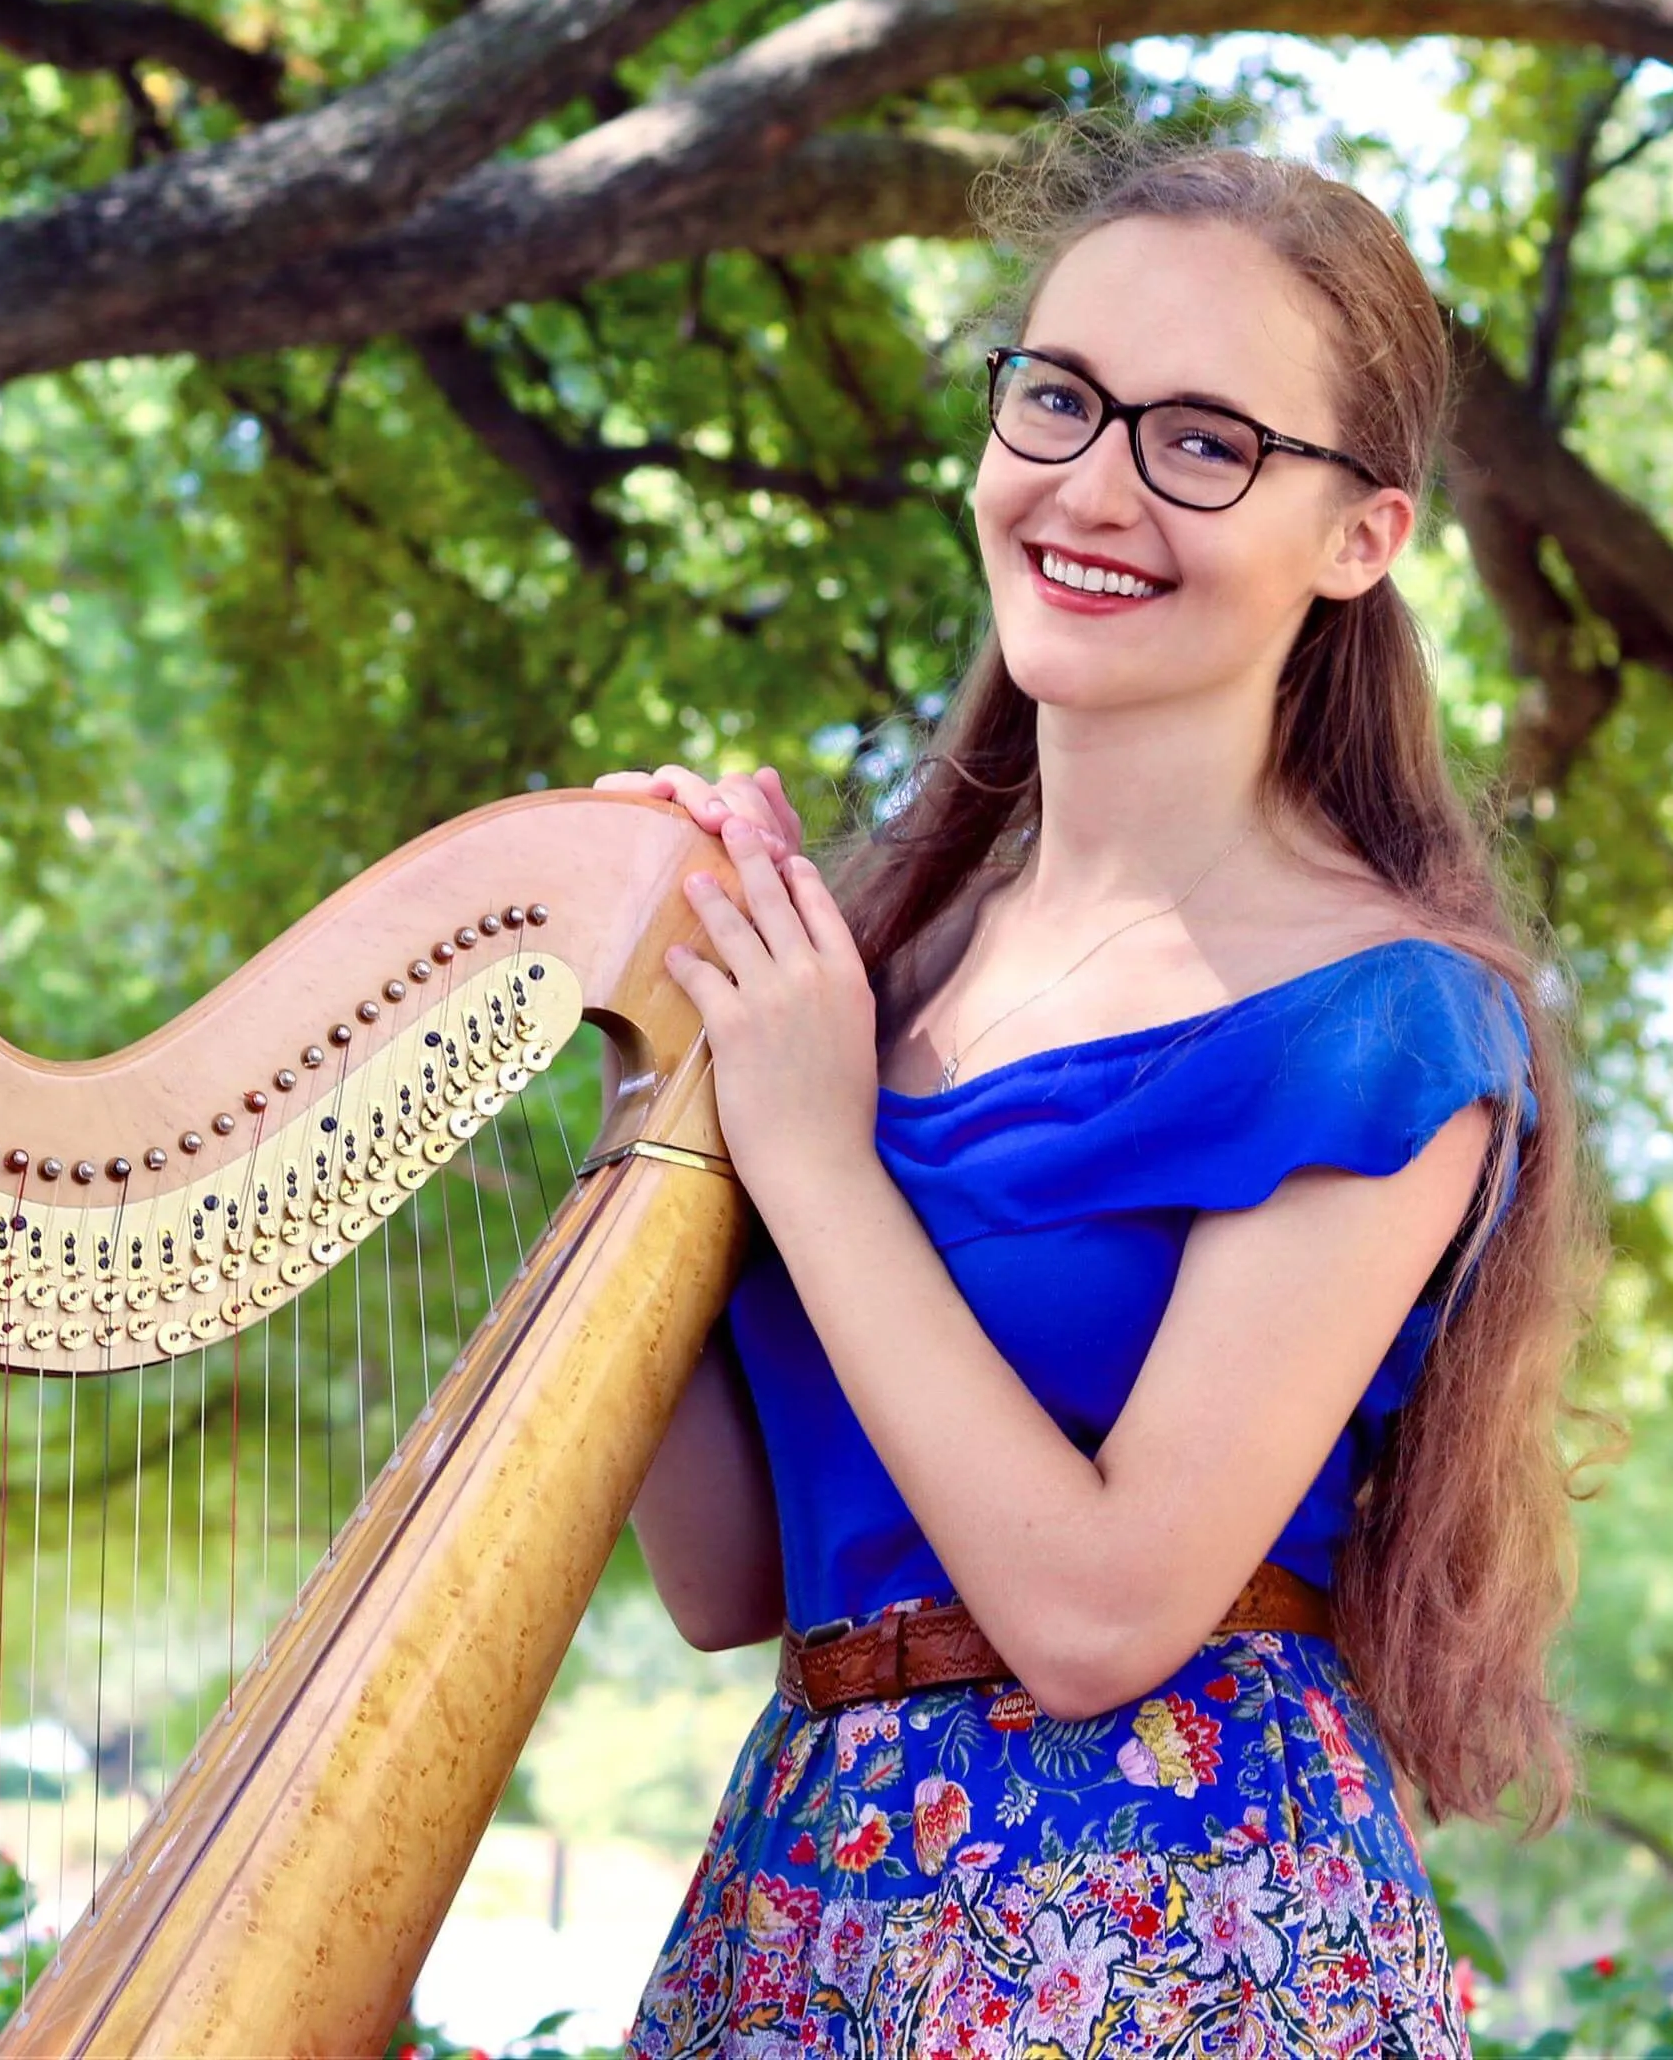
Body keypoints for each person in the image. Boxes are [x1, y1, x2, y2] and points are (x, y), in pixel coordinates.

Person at [605, 132, 1598, 2059]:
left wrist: (811, 1153)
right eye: (1060, 396)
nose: (1094, 483)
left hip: (1164, 1938)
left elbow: (1096, 1616)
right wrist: (666, 1079)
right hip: (818, 1907)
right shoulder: (883, 974)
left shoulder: (1385, 1024)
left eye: (1206, 439)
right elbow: (731, 1575)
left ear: (1361, 536)